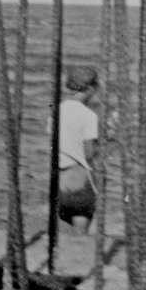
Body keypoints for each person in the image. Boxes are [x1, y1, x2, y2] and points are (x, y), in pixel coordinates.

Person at [55, 64, 100, 233]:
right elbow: (89, 154)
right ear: (89, 89)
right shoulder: (89, 116)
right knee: (80, 235)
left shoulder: (55, 112)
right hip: (80, 180)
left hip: (59, 180)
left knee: (63, 233)